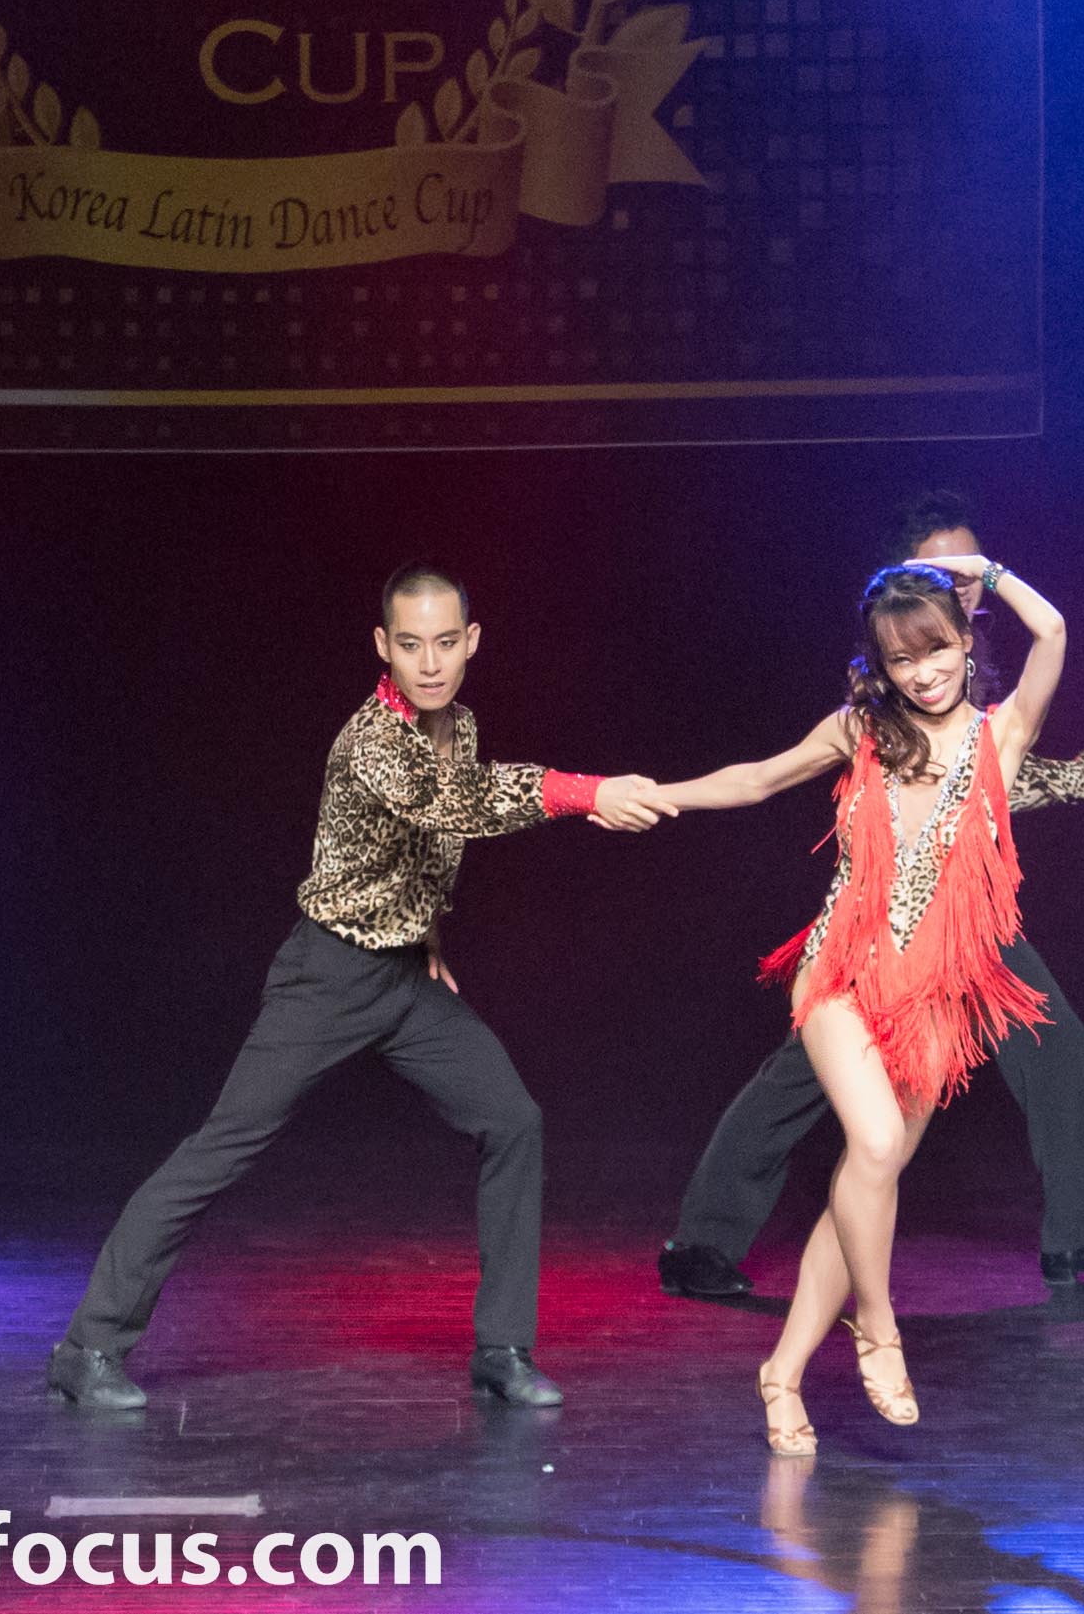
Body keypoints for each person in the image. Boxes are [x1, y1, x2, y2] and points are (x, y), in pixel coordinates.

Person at [46, 565, 666, 1415]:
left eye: (445, 642)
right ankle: (87, 1348)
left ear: (471, 641)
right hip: (329, 975)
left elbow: (426, 843)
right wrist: (585, 792)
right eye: (410, 644)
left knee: (513, 1119)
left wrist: (430, 934)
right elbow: (457, 804)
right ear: (383, 646)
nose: (430, 662)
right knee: (221, 1148)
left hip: (405, 978)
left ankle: (503, 1350)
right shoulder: (371, 740)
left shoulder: (462, 722)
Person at [652, 555, 1084, 1442]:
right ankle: (879, 1323)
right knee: (874, 1141)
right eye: (902, 659)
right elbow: (757, 777)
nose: (923, 672)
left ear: (966, 641)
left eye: (936, 649)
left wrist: (986, 569)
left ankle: (782, 1375)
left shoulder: (1001, 734)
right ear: (881, 666)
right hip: (841, 971)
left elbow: (1054, 629)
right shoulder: (860, 729)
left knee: (865, 1184)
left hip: (936, 995)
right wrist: (656, 795)